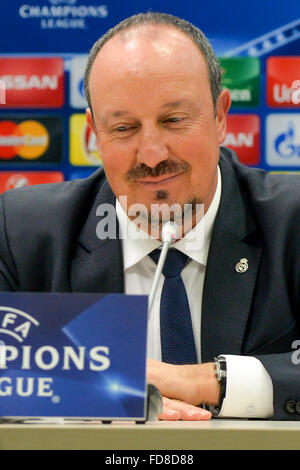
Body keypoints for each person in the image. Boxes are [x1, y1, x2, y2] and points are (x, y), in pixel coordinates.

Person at [1, 12, 300, 421]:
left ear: (221, 116)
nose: (153, 155)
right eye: (124, 128)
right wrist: (104, 392)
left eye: (174, 120)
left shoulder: (292, 220)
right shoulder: (21, 232)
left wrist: (207, 382)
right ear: (94, 135)